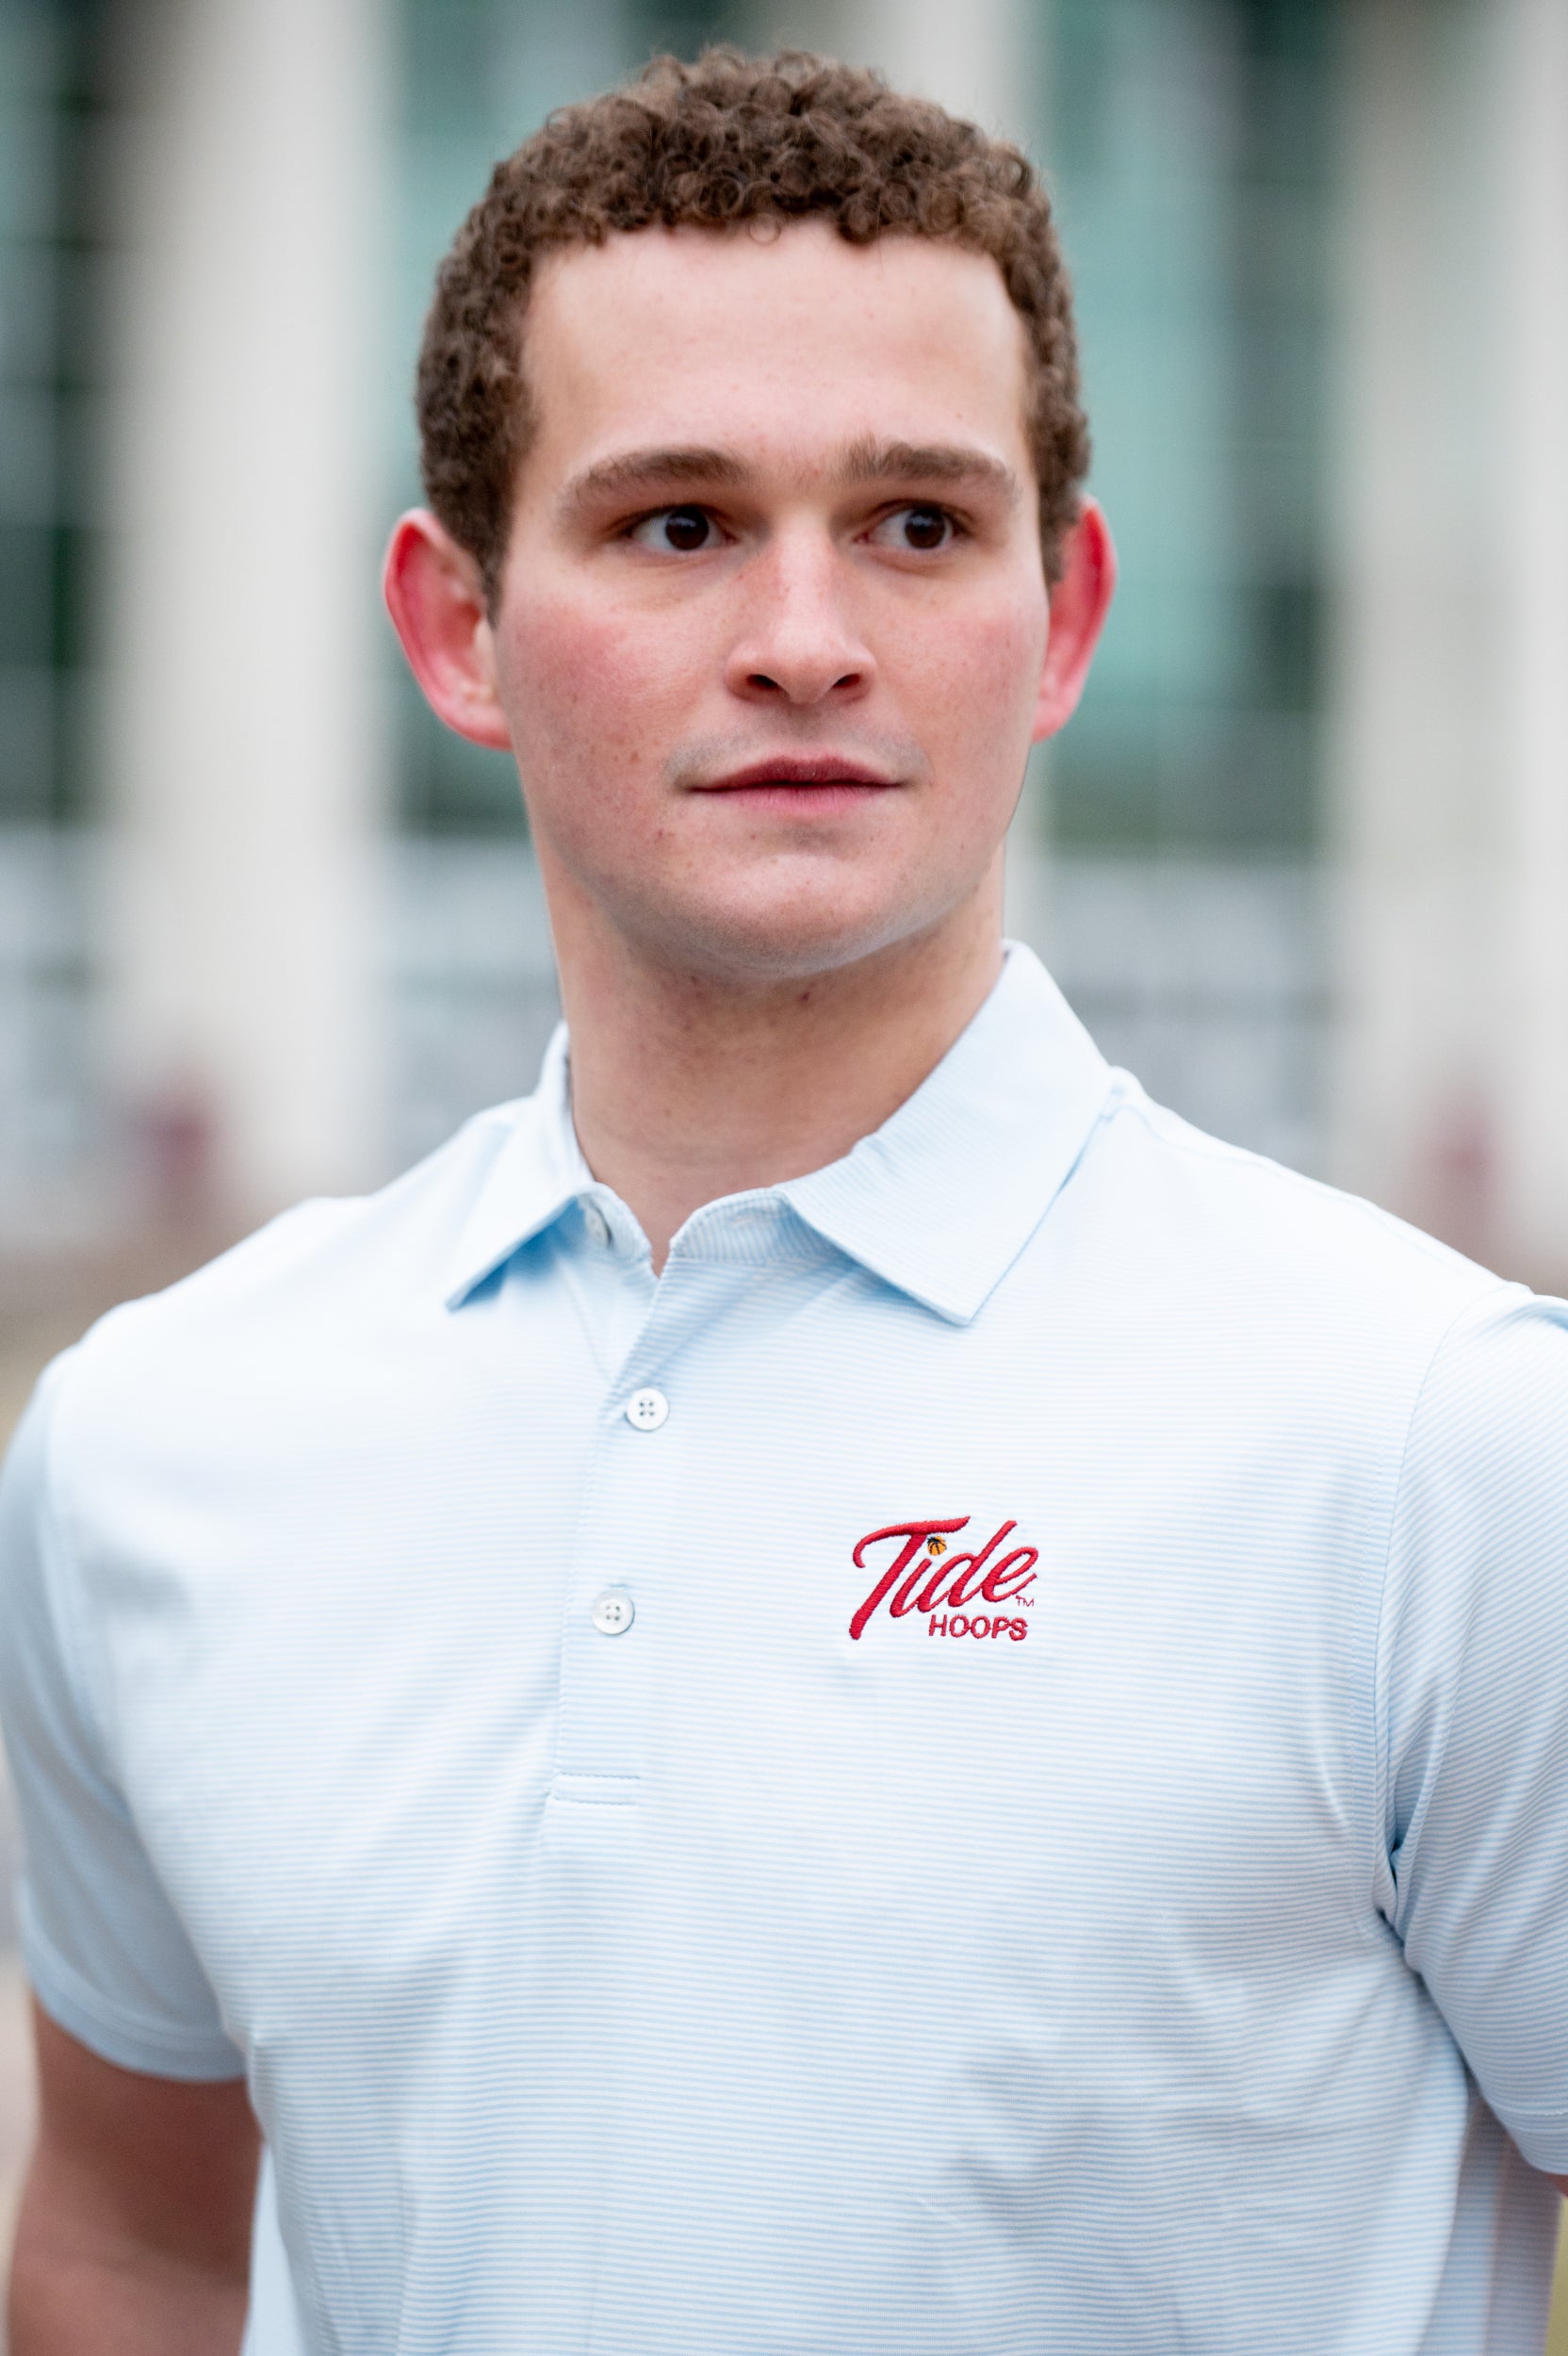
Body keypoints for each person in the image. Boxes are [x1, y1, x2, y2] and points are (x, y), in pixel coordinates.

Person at [1, 45, 1565, 2356]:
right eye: (677, 523)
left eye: (919, 524)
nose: (807, 634)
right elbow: (131, 2239)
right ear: (455, 628)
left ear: (1063, 614)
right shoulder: (162, 1443)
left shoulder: (1435, 1439)